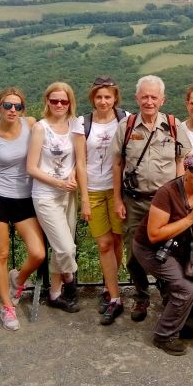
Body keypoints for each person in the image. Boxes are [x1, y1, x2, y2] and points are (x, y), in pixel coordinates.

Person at [113, 75, 190, 322]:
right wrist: (117, 199)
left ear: (162, 99)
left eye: (153, 97)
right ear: (137, 98)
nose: (149, 101)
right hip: (134, 201)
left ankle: (168, 295)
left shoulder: (174, 125)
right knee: (134, 253)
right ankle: (141, 295)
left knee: (168, 251)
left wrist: (179, 199)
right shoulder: (126, 126)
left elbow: (182, 162)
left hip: (165, 204)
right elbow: (117, 164)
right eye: (144, 96)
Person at [132, 149, 193, 355]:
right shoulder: (167, 193)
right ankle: (164, 336)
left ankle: (178, 323)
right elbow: (154, 234)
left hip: (183, 248)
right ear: (185, 168)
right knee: (185, 289)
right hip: (151, 249)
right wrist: (190, 219)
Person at [0, 87, 45, 330]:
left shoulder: (31, 124)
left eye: (17, 106)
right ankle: (7, 307)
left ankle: (19, 279)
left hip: (25, 198)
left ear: (23, 109)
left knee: (38, 253)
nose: (12, 110)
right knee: (1, 254)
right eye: (7, 105)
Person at [71, 76, 130, 324]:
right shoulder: (82, 123)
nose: (103, 101)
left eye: (108, 96)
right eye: (99, 97)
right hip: (94, 189)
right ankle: (115, 296)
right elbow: (80, 163)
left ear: (115, 97)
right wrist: (84, 198)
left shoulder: (125, 119)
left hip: (119, 190)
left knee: (117, 241)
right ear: (92, 98)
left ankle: (109, 287)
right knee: (104, 243)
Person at [27, 82, 87, 313]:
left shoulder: (75, 124)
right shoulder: (41, 128)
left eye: (64, 101)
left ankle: (54, 293)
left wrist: (71, 176)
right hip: (46, 195)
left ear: (70, 102)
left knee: (59, 246)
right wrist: (59, 182)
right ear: (47, 102)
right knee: (65, 248)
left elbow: (80, 160)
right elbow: (31, 167)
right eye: (54, 101)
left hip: (68, 195)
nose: (59, 105)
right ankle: (70, 282)